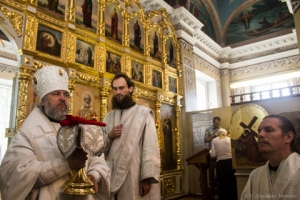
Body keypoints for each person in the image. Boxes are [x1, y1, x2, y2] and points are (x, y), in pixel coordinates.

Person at [0, 66, 110, 200]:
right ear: (43, 101)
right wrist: (66, 164)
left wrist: (94, 174)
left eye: (66, 94)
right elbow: (17, 174)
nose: (62, 98)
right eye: (56, 94)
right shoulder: (27, 133)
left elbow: (97, 157)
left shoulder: (78, 126)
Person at [103, 73, 160, 199]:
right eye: (115, 89)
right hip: (111, 174)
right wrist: (109, 136)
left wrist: (146, 178)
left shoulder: (144, 114)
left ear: (130, 88)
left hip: (134, 175)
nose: (118, 92)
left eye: (121, 88)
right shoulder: (109, 117)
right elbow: (100, 149)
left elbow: (150, 147)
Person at [241, 115, 300, 200]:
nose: (260, 135)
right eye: (259, 131)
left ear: (288, 137)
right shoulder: (255, 175)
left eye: (268, 130)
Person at [210, 128, 238, 200]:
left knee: (222, 183)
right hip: (231, 163)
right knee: (232, 182)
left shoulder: (214, 140)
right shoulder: (229, 139)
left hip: (221, 164)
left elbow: (213, 155)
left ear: (218, 134)